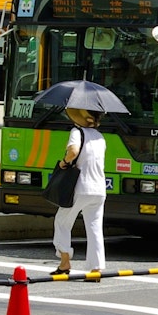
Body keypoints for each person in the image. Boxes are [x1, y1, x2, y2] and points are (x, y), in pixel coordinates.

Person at [52, 107, 108, 275]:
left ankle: (65, 263)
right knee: (95, 228)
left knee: (62, 221)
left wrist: (64, 162)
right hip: (99, 189)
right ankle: (95, 268)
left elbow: (73, 151)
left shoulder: (77, 131)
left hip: (80, 187)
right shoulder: (100, 137)